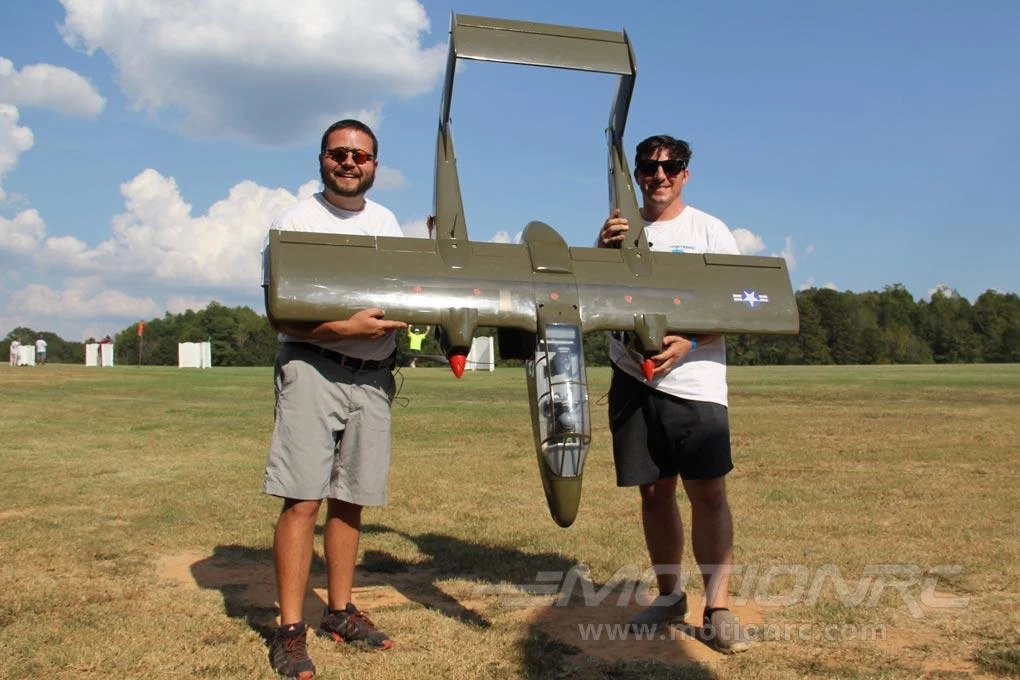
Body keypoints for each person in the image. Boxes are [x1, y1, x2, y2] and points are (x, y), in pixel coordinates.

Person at [261, 119, 406, 679]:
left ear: (374, 164)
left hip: (372, 377)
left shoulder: (387, 222)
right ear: (322, 158)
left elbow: (402, 291)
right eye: (339, 154)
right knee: (302, 498)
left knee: (351, 497)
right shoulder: (295, 221)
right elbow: (281, 312)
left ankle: (340, 612)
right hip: (313, 367)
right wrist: (342, 329)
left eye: (361, 156)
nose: (350, 163)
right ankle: (290, 630)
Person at [597, 134, 750, 653]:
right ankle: (668, 596)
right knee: (654, 492)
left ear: (686, 173)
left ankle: (719, 607)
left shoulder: (709, 230)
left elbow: (736, 304)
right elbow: (594, 300)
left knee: (707, 492)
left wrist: (689, 342)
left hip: (695, 384)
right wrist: (601, 254)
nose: (658, 176)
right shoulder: (619, 232)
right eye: (648, 167)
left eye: (670, 167)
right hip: (632, 382)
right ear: (637, 173)